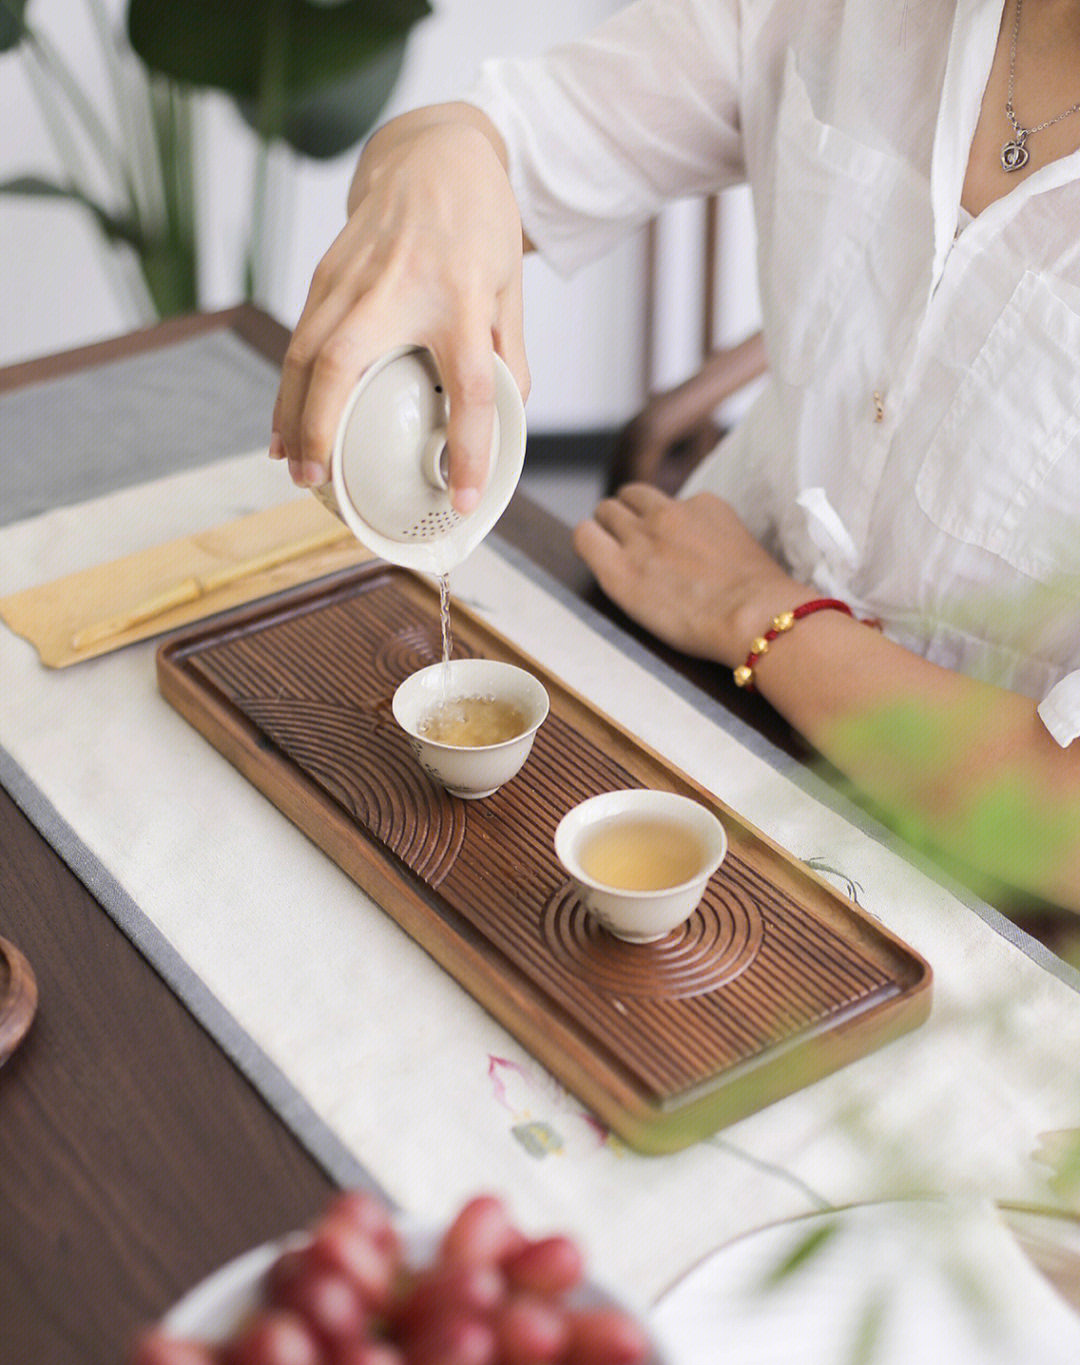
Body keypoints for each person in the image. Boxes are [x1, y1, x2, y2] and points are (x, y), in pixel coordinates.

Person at [270, 0, 1080, 916]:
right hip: (690, 672)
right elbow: (505, 139)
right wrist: (439, 167)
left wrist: (762, 615)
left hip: (991, 887)